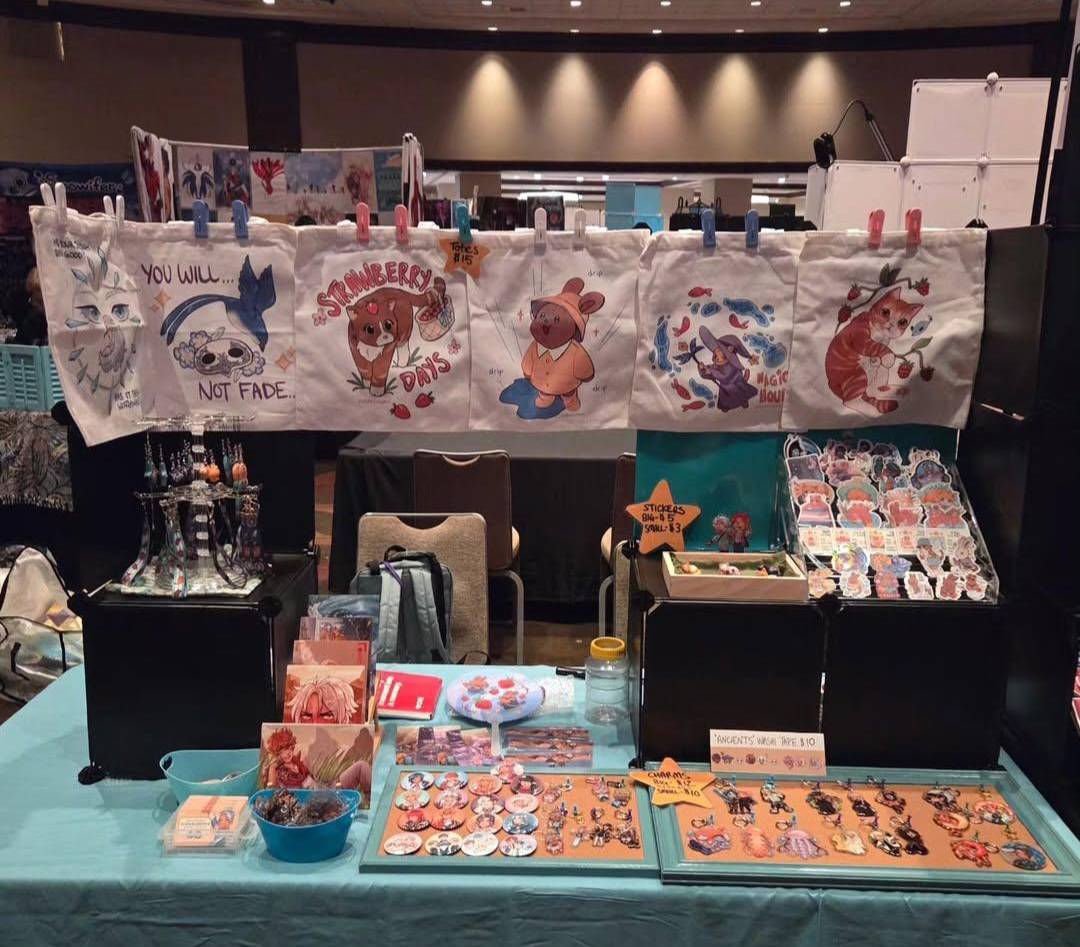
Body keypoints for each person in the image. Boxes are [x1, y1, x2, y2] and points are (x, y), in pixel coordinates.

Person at [697, 328, 759, 411]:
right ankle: (727, 405)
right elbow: (709, 372)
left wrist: (711, 371)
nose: (714, 358)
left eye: (718, 355)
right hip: (726, 388)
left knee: (739, 396)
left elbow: (724, 376)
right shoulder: (717, 365)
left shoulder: (732, 366)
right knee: (727, 400)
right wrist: (703, 369)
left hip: (734, 386)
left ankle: (742, 401)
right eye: (714, 354)